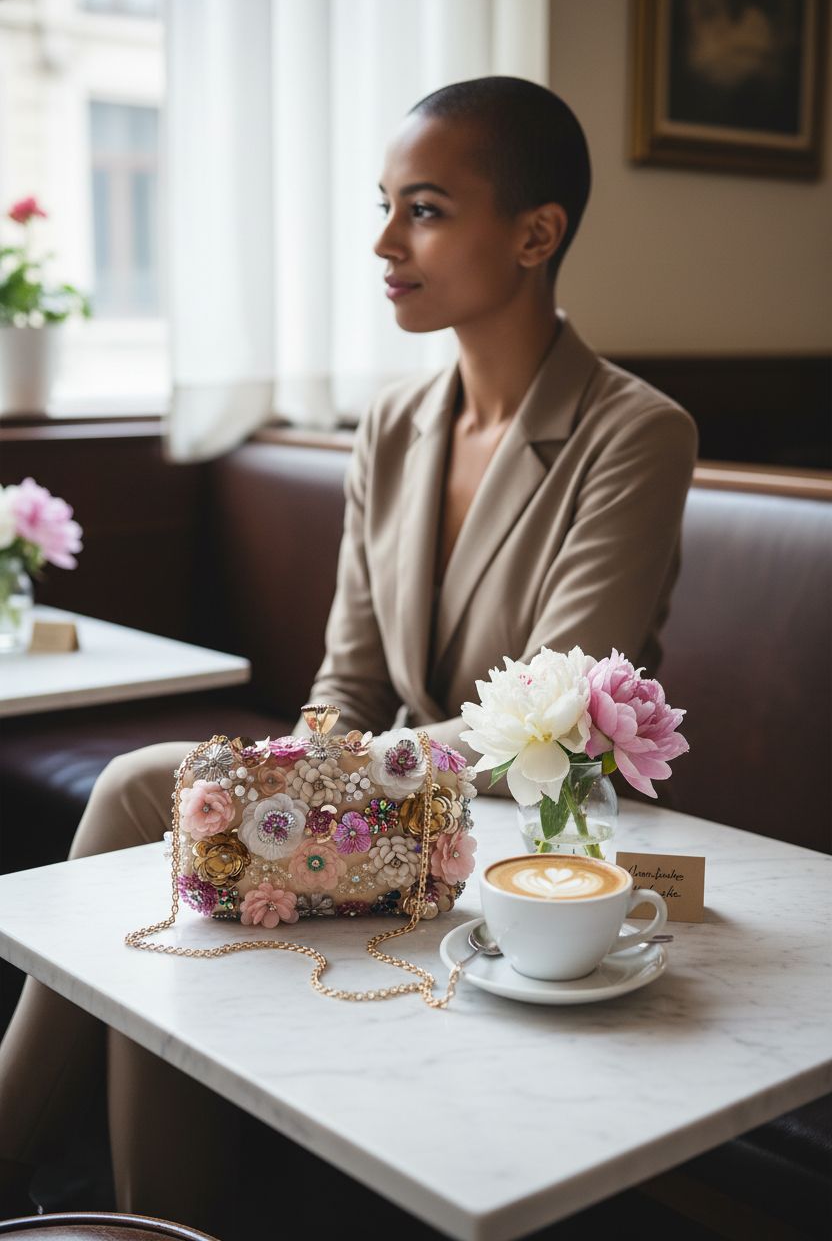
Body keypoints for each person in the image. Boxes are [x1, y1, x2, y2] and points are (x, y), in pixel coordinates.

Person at [0, 77, 697, 1233]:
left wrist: (301, 789)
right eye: (384, 205)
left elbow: (557, 719)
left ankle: (44, 1159)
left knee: (156, 794)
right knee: (195, 835)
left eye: (422, 208)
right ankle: (135, 1207)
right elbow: (348, 681)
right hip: (389, 809)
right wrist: (293, 779)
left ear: (535, 234)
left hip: (531, 843)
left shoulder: (636, 432)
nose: (383, 242)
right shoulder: (390, 422)